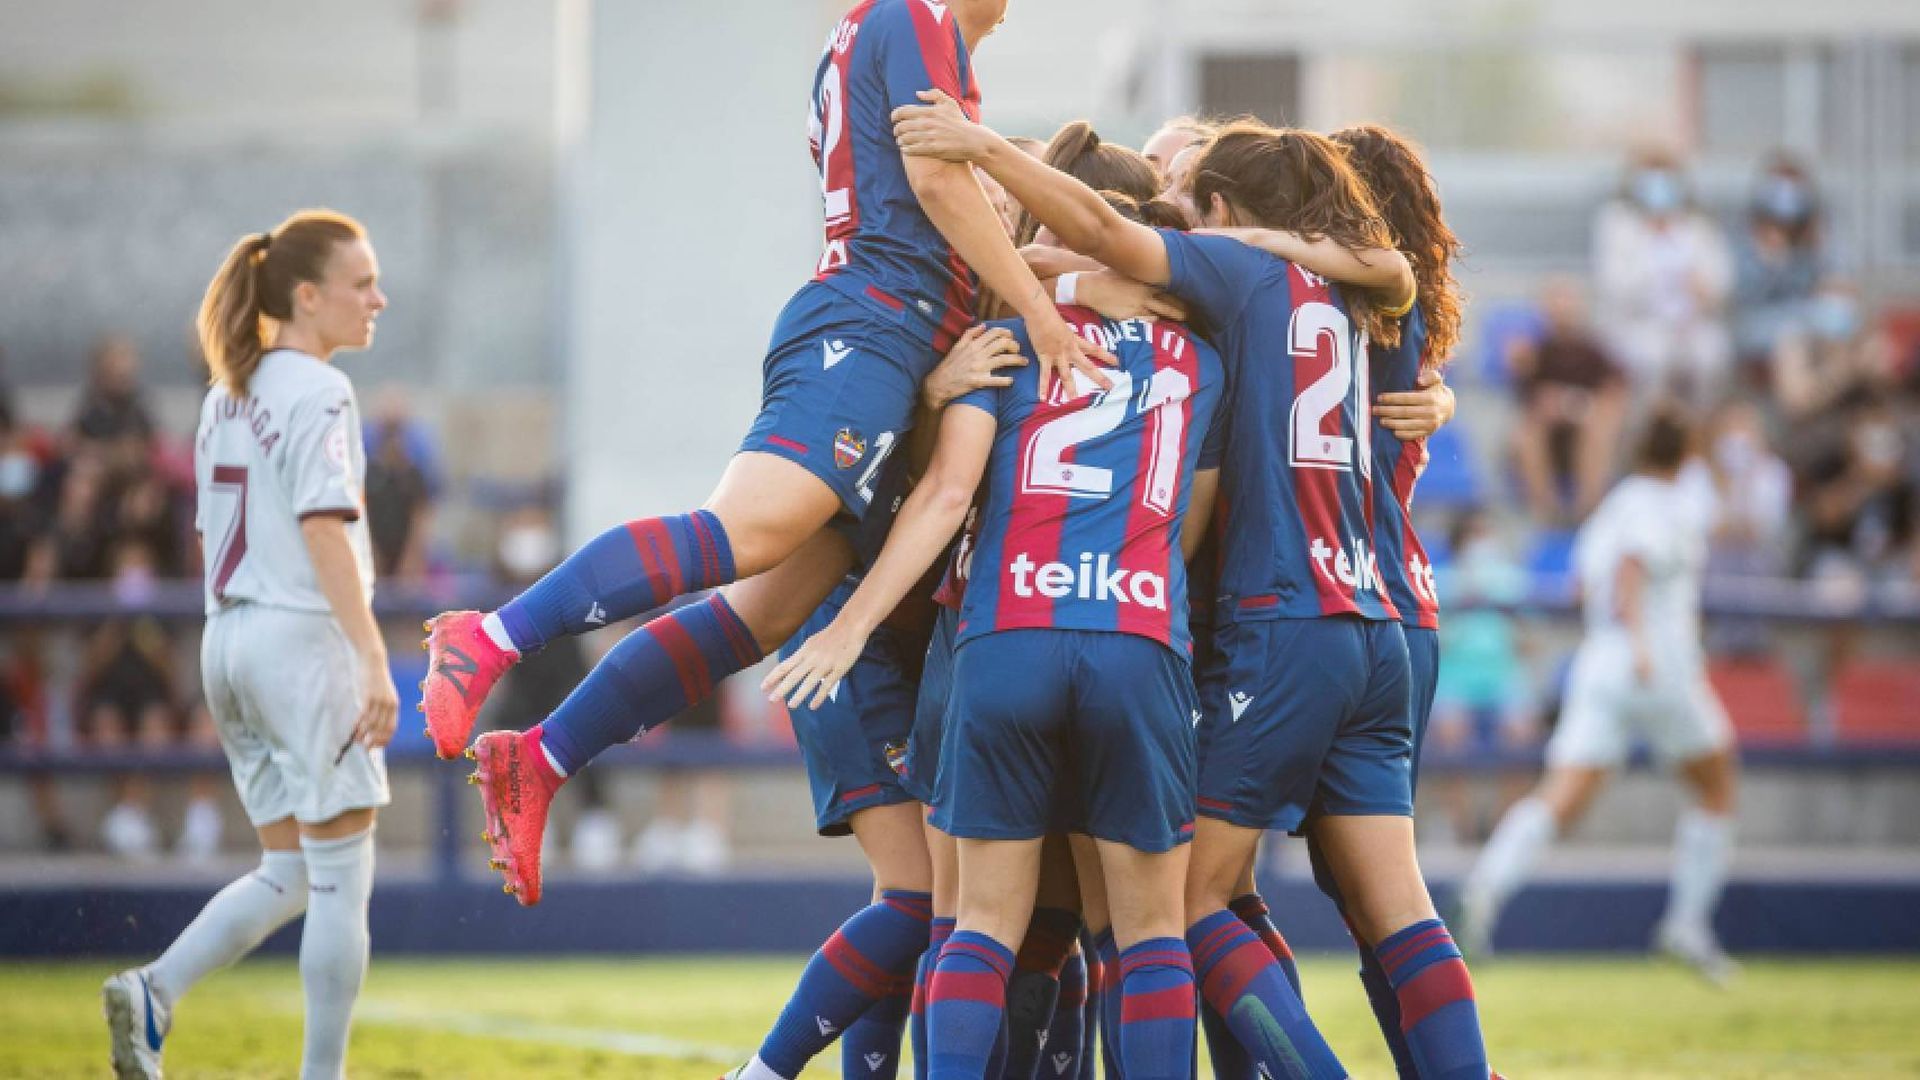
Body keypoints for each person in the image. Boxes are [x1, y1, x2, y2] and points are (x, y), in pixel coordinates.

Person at [423, 0, 1115, 907]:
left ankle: (545, 756)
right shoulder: (912, 14)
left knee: (757, 615)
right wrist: (1037, 309)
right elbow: (937, 188)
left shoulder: (907, 37)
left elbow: (935, 189)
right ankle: (491, 636)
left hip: (893, 341)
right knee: (744, 533)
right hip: (873, 325)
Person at [892, 96, 1489, 1078]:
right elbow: (1387, 275)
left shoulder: (1239, 278)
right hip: (1382, 621)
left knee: (1172, 906)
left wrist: (994, 179)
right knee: (1385, 905)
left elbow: (1101, 235)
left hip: (1259, 619)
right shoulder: (1377, 296)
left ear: (1221, 205)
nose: (1170, 207)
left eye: (1186, 191)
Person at [767, 290, 1227, 1080]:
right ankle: (767, 1070)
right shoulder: (1203, 355)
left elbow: (944, 493)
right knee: (1145, 931)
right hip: (1128, 631)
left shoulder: (996, 336)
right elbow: (1187, 530)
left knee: (978, 922)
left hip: (994, 633)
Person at [102, 210, 398, 1080]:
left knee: (290, 869)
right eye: (361, 283)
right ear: (307, 297)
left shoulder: (224, 392)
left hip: (226, 639)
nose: (378, 298)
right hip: (299, 643)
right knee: (343, 874)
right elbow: (323, 530)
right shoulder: (321, 391)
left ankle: (155, 990)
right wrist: (373, 658)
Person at [1459, 408, 1742, 985]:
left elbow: (1581, 584)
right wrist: (1640, 640)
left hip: (1599, 662)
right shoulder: (1667, 505)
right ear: (1685, 454)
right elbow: (1632, 569)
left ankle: (1482, 890)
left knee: (1560, 796)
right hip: (1655, 662)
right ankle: (1687, 926)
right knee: (1716, 784)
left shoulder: (1611, 506)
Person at [1591, 147, 1733, 403]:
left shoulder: (1697, 225)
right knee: (1654, 359)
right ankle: (1652, 436)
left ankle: (1698, 434)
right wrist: (1651, 243)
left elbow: (1720, 285)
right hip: (1639, 323)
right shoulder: (1619, 223)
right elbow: (1615, 287)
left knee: (1710, 357)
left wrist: (1704, 291)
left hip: (1692, 324)